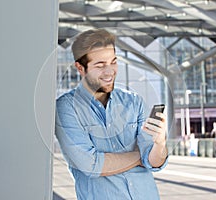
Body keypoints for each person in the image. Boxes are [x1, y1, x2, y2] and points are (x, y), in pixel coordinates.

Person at [55, 28, 168, 200]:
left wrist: (159, 145)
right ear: (80, 68)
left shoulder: (133, 101)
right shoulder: (66, 108)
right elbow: (91, 164)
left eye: (113, 62)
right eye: (100, 65)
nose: (110, 72)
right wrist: (140, 156)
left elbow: (154, 162)